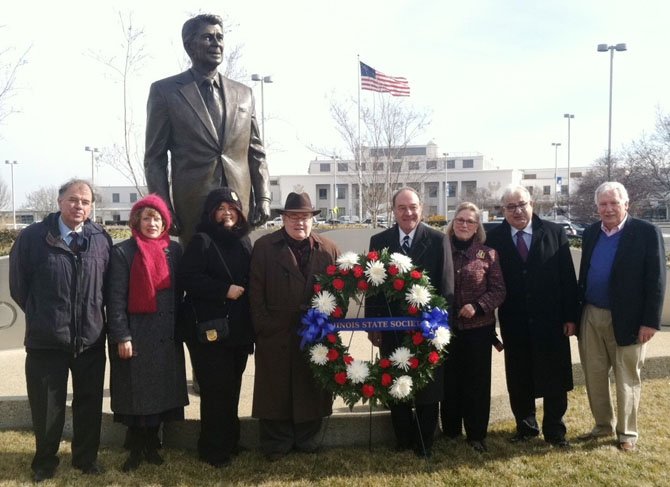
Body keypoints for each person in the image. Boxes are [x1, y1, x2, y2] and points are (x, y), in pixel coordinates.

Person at [9, 179, 112, 482]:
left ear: (91, 207)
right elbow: (19, 286)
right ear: (59, 201)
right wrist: (44, 315)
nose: (79, 206)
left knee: (89, 403)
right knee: (47, 407)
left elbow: (108, 288)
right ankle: (44, 462)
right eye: (73, 200)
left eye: (85, 201)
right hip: (46, 341)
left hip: (90, 340)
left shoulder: (100, 238)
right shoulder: (32, 238)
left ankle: (85, 459)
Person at [144, 13, 271, 246]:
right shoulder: (165, 92)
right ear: (189, 46)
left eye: (220, 37)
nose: (217, 43)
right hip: (192, 206)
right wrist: (164, 207)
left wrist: (263, 197)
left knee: (240, 272)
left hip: (238, 204)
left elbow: (256, 152)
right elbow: (155, 158)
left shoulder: (244, 93)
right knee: (196, 274)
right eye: (208, 38)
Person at [249, 192, 339, 460]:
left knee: (311, 386)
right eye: (293, 216)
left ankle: (307, 438)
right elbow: (255, 292)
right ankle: (277, 442)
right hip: (276, 332)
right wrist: (264, 326)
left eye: (304, 216)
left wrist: (327, 325)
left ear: (312, 219)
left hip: (314, 333)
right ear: (283, 218)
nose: (299, 222)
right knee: (274, 388)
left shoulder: (328, 249)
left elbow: (340, 294)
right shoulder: (265, 247)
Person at [577, 182, 666, 452]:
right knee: (594, 374)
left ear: (626, 204)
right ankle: (602, 425)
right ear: (597, 207)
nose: (608, 209)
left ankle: (627, 433)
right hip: (591, 314)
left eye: (614, 203)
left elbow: (657, 279)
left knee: (627, 376)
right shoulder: (591, 232)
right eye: (603, 204)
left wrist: (650, 321)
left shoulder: (646, 232)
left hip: (629, 318)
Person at [486, 185, 577, 448]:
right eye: (510, 207)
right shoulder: (493, 238)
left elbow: (567, 278)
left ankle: (555, 430)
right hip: (514, 321)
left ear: (532, 204)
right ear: (503, 210)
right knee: (519, 376)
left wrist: (571, 316)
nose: (517, 211)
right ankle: (526, 427)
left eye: (522, 204)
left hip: (552, 321)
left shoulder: (554, 232)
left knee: (555, 377)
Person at [366, 187, 454, 458]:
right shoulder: (379, 240)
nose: (408, 212)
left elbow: (446, 286)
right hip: (391, 329)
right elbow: (373, 287)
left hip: (426, 331)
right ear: (393, 211)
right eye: (402, 208)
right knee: (396, 383)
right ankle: (402, 438)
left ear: (421, 208)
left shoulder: (438, 240)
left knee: (428, 387)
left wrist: (438, 327)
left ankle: (424, 442)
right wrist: (373, 326)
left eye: (413, 207)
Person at [106, 195, 188, 472]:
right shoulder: (123, 253)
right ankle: (136, 447)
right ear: (136, 221)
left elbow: (180, 294)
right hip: (136, 336)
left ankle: (153, 444)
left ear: (164, 222)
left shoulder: (173, 251)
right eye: (146, 218)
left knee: (161, 394)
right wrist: (122, 336)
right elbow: (114, 300)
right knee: (137, 395)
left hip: (166, 336)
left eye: (157, 218)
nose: (152, 223)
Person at [179, 187, 254, 467]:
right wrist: (224, 290)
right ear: (211, 213)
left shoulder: (244, 242)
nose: (227, 214)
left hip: (238, 332)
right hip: (210, 333)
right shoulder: (202, 241)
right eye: (221, 209)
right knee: (215, 393)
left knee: (232, 389)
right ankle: (212, 450)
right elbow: (187, 278)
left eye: (232, 209)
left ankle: (231, 441)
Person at [440, 202, 506, 453]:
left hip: (478, 330)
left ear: (477, 226)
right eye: (460, 220)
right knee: (450, 380)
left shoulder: (488, 254)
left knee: (476, 383)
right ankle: (451, 429)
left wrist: (478, 306)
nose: (464, 224)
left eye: (470, 221)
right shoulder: (441, 249)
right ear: (452, 222)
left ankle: (476, 433)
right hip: (445, 329)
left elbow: (499, 290)